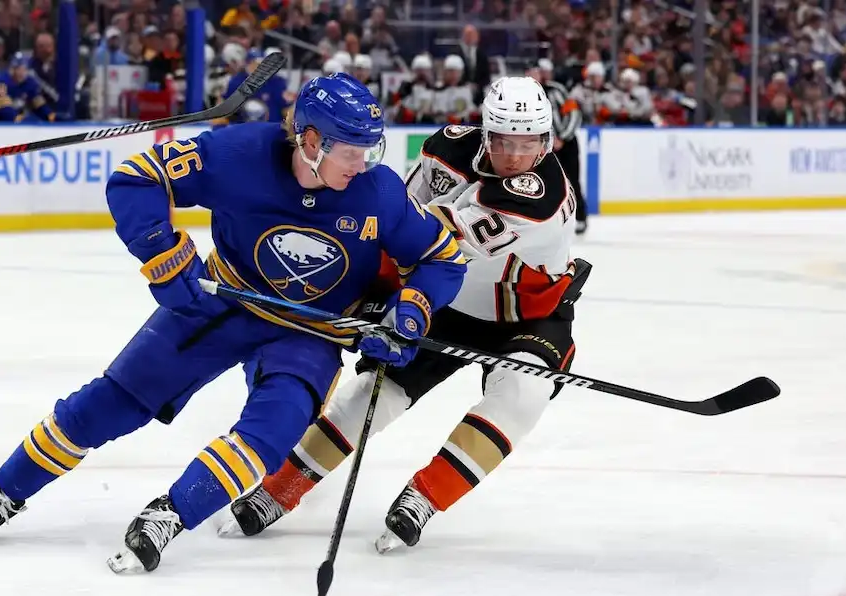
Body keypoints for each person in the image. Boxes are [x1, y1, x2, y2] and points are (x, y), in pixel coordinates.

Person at [0, 74, 467, 574]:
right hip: (221, 304)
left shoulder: (379, 193)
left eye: (369, 150)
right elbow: (137, 178)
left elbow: (444, 258)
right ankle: (3, 492)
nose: (365, 164)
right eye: (352, 151)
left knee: (272, 432)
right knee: (114, 401)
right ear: (311, 140)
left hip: (307, 334)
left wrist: (411, 310)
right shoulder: (239, 154)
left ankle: (170, 515)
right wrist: (163, 254)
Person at [218, 77, 589, 554]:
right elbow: (397, 221)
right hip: (447, 303)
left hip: (529, 317)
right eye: (504, 142)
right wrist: (378, 290)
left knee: (523, 392)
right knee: (375, 391)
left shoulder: (541, 194)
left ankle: (424, 498)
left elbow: (440, 239)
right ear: (485, 132)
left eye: (530, 143)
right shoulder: (445, 148)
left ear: (547, 139)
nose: (517, 156)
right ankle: (279, 490)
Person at [530, 60, 588, 235]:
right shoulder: (525, 95)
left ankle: (580, 218)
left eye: (536, 71)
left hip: (566, 144)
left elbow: (574, 113)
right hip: (544, 147)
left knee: (572, 181)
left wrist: (563, 137)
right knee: (544, 184)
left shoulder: (557, 90)